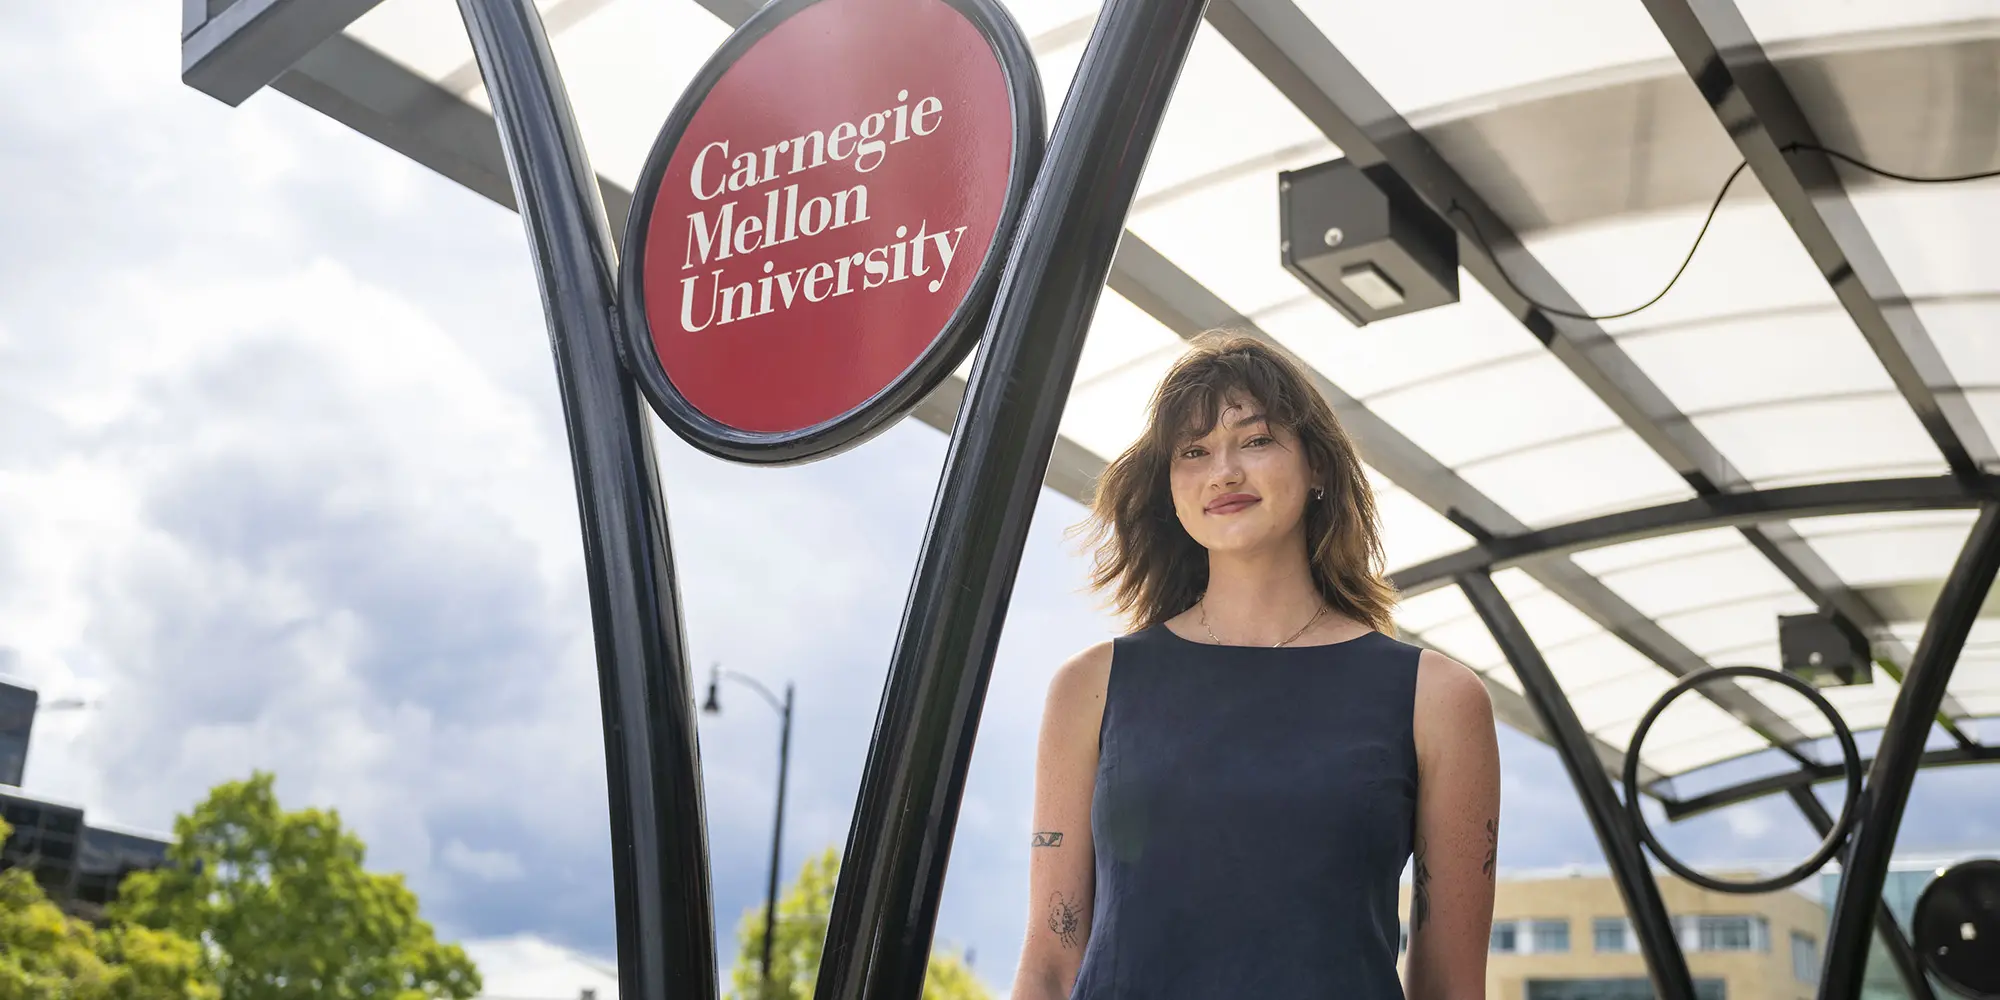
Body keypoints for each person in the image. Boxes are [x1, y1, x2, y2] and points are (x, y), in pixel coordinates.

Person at [1011, 334, 1500, 1000]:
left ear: (1319, 466)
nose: (1224, 473)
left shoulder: (1437, 699)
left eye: (1257, 439)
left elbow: (1449, 987)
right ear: (1170, 490)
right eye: (1194, 452)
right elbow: (1047, 963)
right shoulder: (1091, 687)